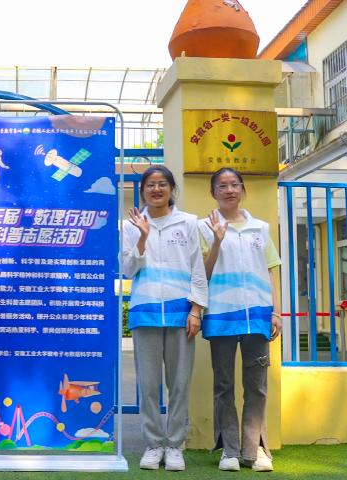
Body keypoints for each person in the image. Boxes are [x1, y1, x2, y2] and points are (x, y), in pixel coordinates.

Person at [122, 165, 208, 471]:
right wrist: (142, 238)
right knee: (148, 385)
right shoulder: (131, 226)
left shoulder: (188, 223)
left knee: (179, 384)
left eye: (162, 184)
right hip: (145, 311)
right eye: (150, 185)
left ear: (172, 189)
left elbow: (197, 269)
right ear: (142, 190)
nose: (156, 189)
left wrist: (196, 310)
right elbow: (127, 270)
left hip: (180, 312)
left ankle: (174, 445)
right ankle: (153, 444)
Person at [198, 167, 281, 473]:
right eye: (222, 185)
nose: (229, 190)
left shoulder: (260, 228)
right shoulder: (203, 227)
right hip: (220, 315)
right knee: (223, 384)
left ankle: (254, 449)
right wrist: (217, 241)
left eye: (234, 184)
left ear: (242, 189)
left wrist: (276, 312)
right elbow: (202, 274)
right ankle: (229, 450)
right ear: (213, 192)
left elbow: (271, 271)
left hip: (257, 315)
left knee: (257, 386)